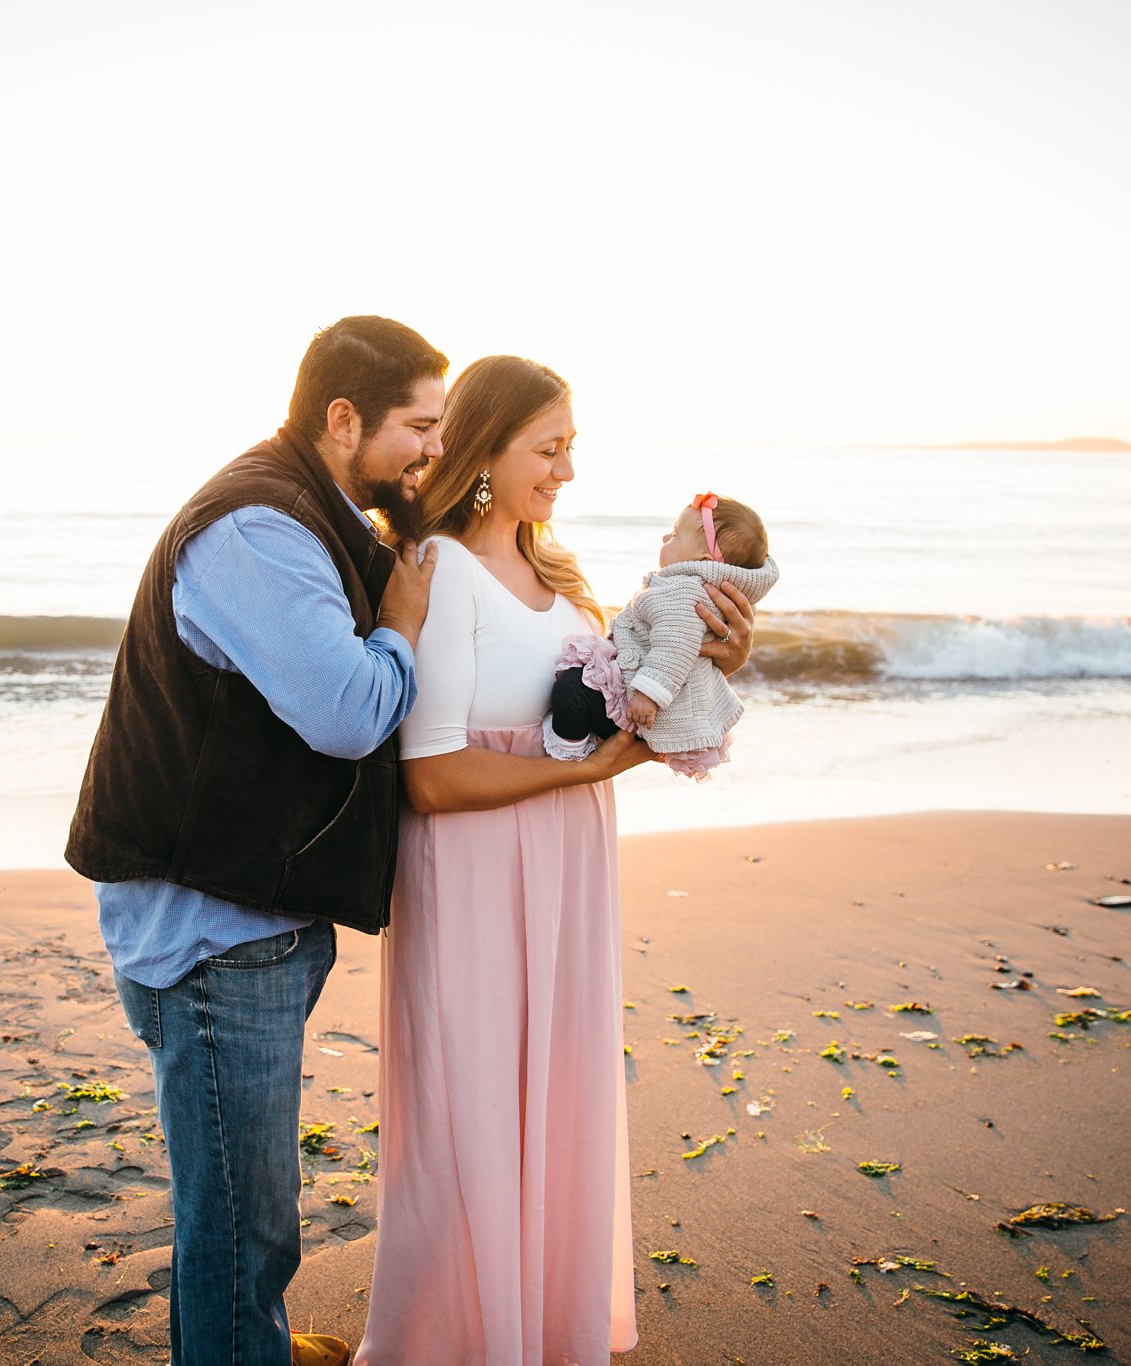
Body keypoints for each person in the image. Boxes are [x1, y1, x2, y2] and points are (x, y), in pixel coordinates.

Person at [354, 356, 755, 1365]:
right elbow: (431, 778)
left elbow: (619, 704)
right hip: (475, 876)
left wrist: (714, 659)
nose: (567, 469)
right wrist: (575, 777)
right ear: (485, 452)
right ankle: (449, 1339)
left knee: (553, 1095)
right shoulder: (441, 574)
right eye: (549, 447)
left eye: (570, 445)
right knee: (473, 1107)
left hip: (564, 871)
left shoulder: (560, 577)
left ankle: (541, 1326)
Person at [64, 316, 447, 1366]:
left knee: (249, 1202)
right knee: (243, 1219)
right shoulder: (258, 530)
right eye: (419, 425)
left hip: (244, 917)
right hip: (207, 935)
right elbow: (346, 710)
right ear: (342, 418)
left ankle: (249, 1345)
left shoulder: (314, 512)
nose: (432, 449)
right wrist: (402, 622)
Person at [546, 491, 779, 779]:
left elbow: (674, 648)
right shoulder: (699, 591)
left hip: (643, 702)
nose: (665, 539)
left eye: (675, 535)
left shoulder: (682, 592)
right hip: (650, 695)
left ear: (703, 559)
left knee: (571, 690)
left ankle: (569, 755)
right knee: (577, 682)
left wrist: (648, 695)